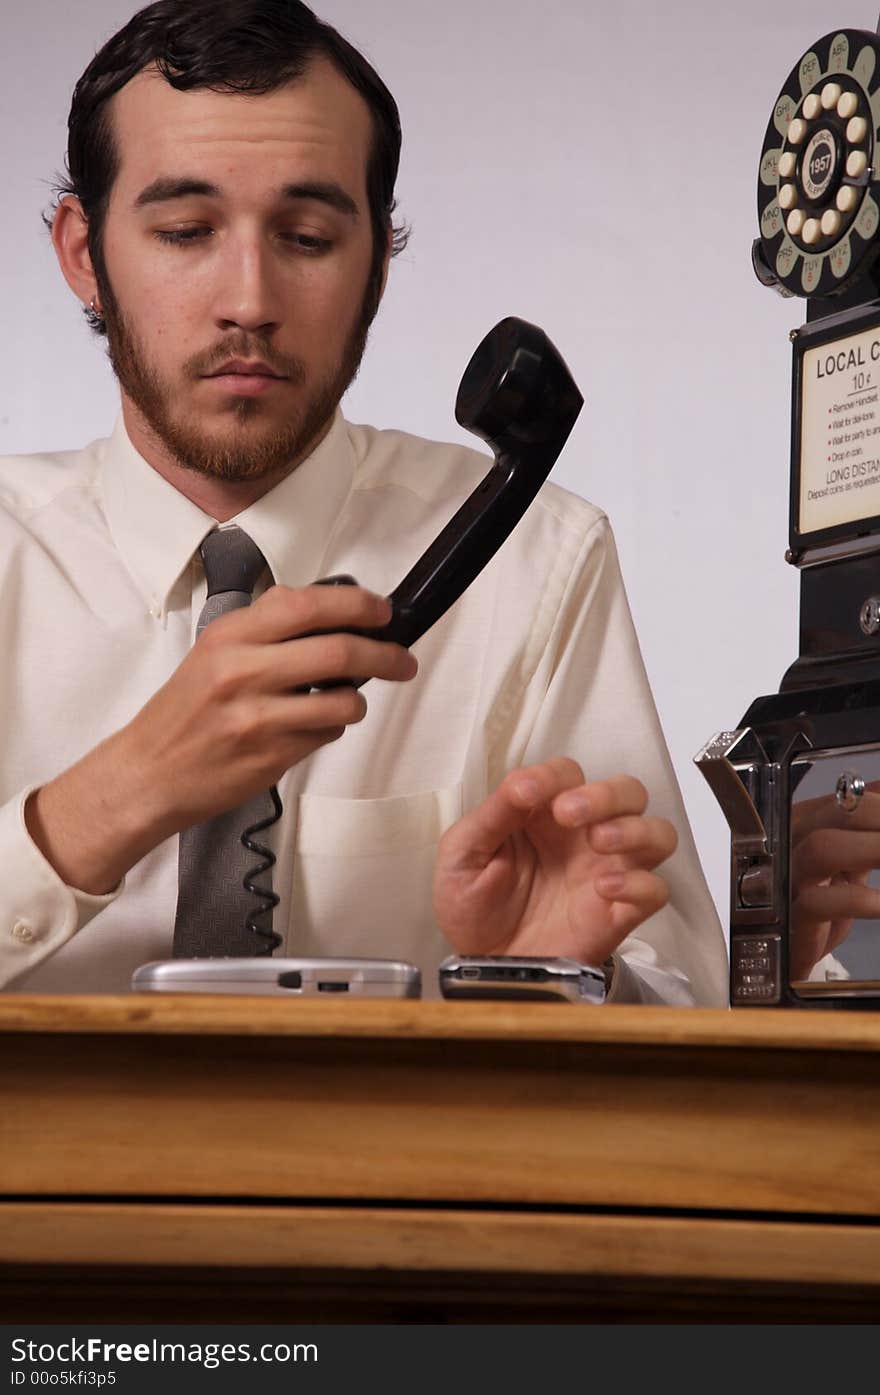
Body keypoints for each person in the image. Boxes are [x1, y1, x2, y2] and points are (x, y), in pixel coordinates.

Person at [0, 0, 728, 1003]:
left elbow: (693, 1016)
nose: (248, 300)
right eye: (184, 230)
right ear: (84, 253)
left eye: (305, 237)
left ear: (379, 260)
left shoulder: (535, 557)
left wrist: (545, 976)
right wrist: (116, 795)